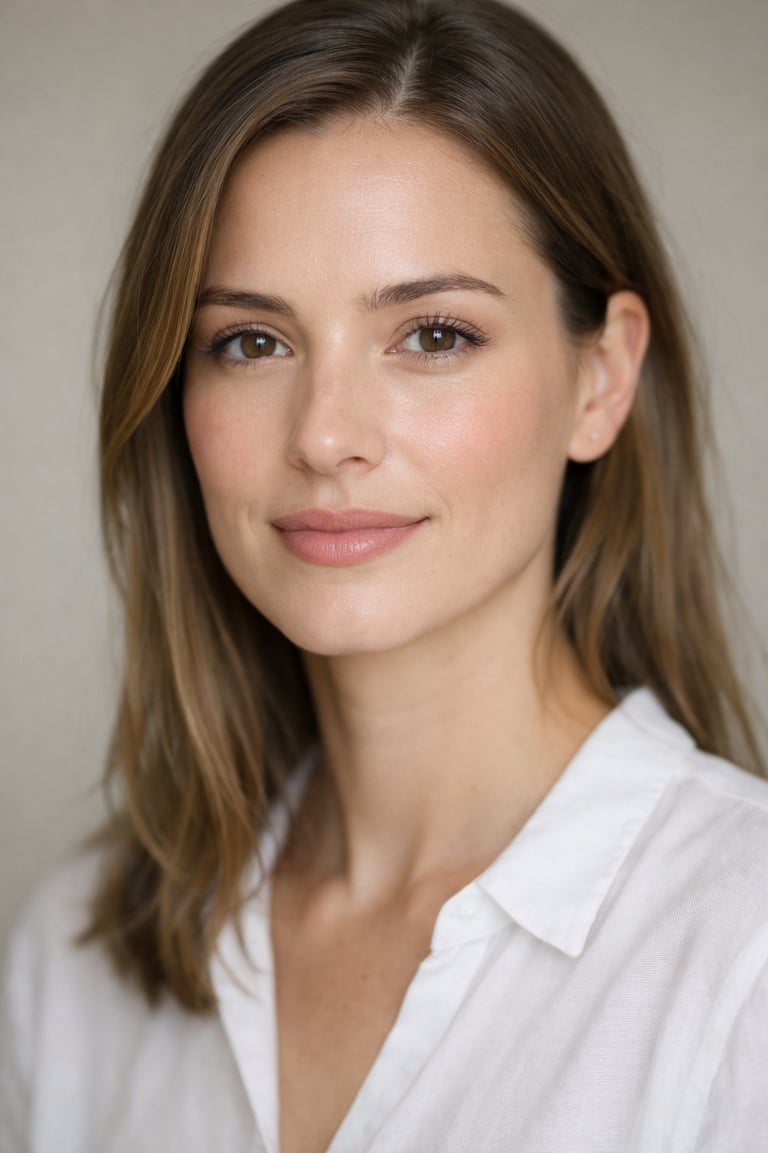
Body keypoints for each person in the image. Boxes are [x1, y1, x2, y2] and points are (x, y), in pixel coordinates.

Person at [2, 0, 767, 1149]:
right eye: (251, 341)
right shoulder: (78, 957)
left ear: (601, 380)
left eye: (433, 334)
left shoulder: (742, 954)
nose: (325, 434)